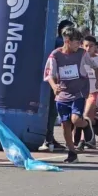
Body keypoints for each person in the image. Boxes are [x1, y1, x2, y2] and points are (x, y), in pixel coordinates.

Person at [44, 26, 98, 163]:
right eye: (77, 42)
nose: (79, 45)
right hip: (62, 95)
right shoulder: (55, 55)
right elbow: (49, 74)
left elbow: (94, 67)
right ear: (67, 41)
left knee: (75, 119)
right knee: (65, 125)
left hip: (79, 92)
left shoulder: (82, 53)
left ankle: (86, 125)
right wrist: (54, 86)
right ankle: (72, 152)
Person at [39, 20, 74, 152]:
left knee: (54, 111)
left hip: (56, 81)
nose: (69, 32)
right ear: (61, 30)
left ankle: (49, 137)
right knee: (53, 111)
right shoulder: (61, 43)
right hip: (55, 82)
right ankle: (48, 138)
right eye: (67, 30)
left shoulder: (58, 42)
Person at [73, 36, 98, 151]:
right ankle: (93, 129)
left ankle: (82, 141)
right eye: (86, 46)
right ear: (82, 46)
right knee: (85, 116)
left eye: (91, 46)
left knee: (85, 114)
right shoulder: (78, 57)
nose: (88, 48)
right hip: (81, 92)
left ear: (95, 47)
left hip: (94, 92)